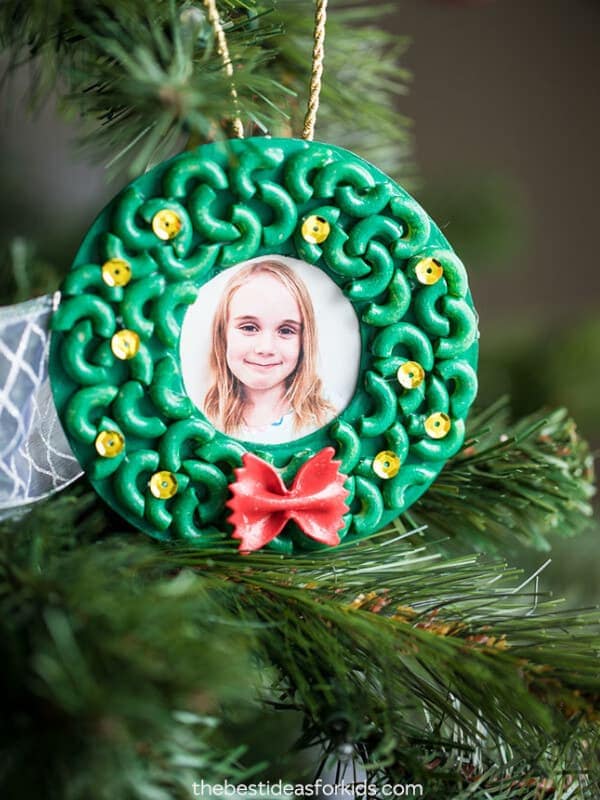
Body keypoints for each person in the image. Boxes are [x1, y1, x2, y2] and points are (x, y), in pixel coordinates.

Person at [204, 260, 336, 443]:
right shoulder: (204, 421)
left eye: (286, 330)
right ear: (222, 333)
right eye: (249, 328)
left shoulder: (327, 422)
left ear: (305, 340)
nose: (265, 348)